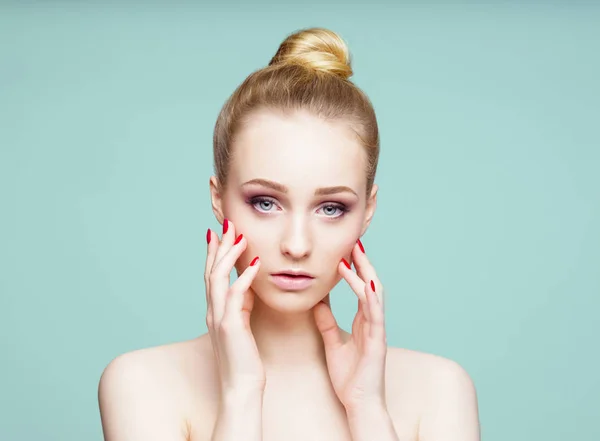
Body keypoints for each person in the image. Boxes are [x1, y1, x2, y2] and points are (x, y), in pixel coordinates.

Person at [98, 27, 480, 441]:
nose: (296, 245)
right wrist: (240, 393)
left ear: (367, 211)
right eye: (265, 202)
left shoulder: (439, 390)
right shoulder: (142, 384)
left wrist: (367, 408)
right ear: (218, 199)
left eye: (331, 208)